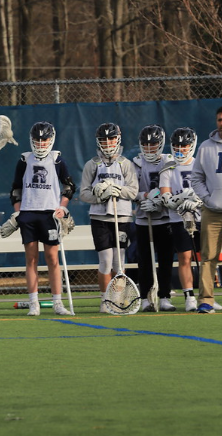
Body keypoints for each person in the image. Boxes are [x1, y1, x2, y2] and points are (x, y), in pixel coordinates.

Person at [0, 121, 76, 316]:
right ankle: (34, 302)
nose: (41, 144)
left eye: (45, 140)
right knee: (31, 259)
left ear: (52, 140)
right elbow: (16, 189)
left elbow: (69, 187)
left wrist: (62, 208)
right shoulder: (24, 161)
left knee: (52, 258)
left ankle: (57, 302)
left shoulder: (57, 161)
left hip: (49, 214)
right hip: (28, 213)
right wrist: (17, 213)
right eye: (38, 140)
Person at [79, 123, 139, 313]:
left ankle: (118, 299)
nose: (108, 143)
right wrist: (100, 195)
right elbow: (83, 194)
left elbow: (134, 191)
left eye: (111, 138)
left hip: (121, 217)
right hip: (99, 217)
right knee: (105, 260)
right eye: (104, 139)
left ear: (118, 139)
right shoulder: (92, 164)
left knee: (119, 261)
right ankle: (106, 300)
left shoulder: (125, 164)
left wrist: (117, 189)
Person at [132, 124, 175, 311]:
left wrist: (158, 199)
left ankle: (164, 296)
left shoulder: (168, 161)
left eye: (154, 143)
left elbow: (172, 185)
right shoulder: (136, 162)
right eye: (146, 144)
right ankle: (145, 298)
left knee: (166, 259)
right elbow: (132, 189)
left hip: (165, 217)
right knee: (145, 261)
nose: (150, 147)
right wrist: (144, 197)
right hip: (144, 218)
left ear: (161, 143)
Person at [159, 127, 202, 312]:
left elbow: (209, 190)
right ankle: (189, 296)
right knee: (184, 257)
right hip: (179, 218)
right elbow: (165, 197)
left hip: (202, 216)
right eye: (176, 145)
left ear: (191, 145)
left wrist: (196, 201)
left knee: (208, 257)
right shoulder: (169, 167)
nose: (180, 149)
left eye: (184, 145)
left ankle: (207, 295)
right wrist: (180, 200)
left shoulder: (200, 164)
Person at [191, 105, 222, 313]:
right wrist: (207, 199)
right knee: (208, 256)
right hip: (213, 211)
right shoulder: (205, 146)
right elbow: (196, 178)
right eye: (220, 120)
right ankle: (206, 301)